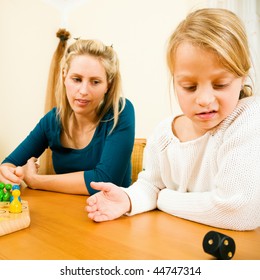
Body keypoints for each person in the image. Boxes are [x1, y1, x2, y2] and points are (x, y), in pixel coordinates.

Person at [85, 8, 260, 231]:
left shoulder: (249, 118)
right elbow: (151, 186)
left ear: (243, 76)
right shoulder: (163, 135)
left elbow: (238, 211)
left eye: (220, 84)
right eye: (189, 87)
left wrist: (163, 199)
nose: (205, 99)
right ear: (175, 81)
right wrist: (128, 198)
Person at [0, 39, 135, 195]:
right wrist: (10, 174)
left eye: (95, 82)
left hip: (114, 216)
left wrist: (36, 180)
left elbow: (105, 180)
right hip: (63, 212)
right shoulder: (52, 121)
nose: (83, 90)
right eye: (76, 79)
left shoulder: (121, 112)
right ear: (64, 76)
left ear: (108, 85)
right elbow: (8, 165)